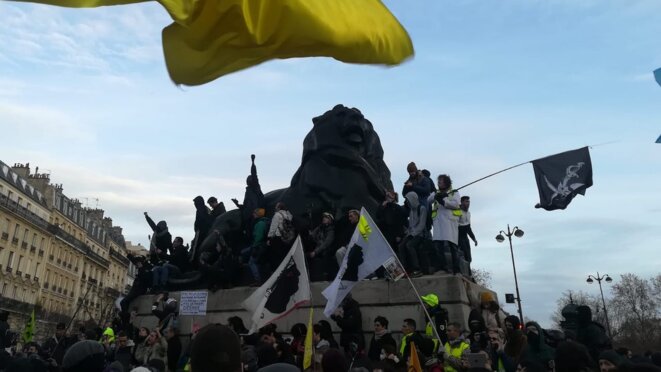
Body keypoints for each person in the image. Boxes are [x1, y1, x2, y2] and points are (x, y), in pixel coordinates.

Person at [427, 174, 462, 274]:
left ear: (446, 182)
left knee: (452, 246)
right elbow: (428, 200)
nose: (438, 183)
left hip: (450, 222)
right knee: (438, 246)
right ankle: (442, 267)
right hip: (438, 223)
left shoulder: (454, 192)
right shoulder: (436, 192)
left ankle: (456, 269)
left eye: (440, 181)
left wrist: (444, 199)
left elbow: (455, 204)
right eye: (438, 182)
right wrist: (436, 196)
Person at [232, 154, 265, 231]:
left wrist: (252, 162)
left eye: (249, 180)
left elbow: (254, 174)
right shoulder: (248, 191)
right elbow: (247, 206)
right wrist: (238, 204)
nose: (248, 181)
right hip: (249, 215)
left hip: (257, 212)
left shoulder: (255, 187)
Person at [398, 192, 427, 277]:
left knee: (409, 245)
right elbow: (411, 225)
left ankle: (417, 269)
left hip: (419, 235)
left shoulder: (422, 208)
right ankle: (405, 268)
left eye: (408, 200)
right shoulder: (411, 211)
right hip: (411, 234)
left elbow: (421, 225)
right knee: (401, 246)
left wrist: (413, 234)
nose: (407, 202)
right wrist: (407, 232)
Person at [241, 208, 269, 284]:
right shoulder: (265, 221)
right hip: (262, 245)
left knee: (251, 262)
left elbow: (258, 237)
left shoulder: (260, 224)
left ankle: (258, 280)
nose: (253, 215)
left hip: (258, 246)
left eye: (254, 213)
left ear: (258, 214)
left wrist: (254, 246)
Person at [307, 212, 336, 279]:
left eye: (326, 218)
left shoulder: (331, 231)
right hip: (317, 249)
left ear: (330, 220)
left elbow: (325, 244)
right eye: (324, 217)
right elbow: (312, 236)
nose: (324, 219)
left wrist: (315, 252)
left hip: (324, 252)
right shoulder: (320, 228)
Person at [267, 202, 295, 269]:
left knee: (277, 256)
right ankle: (289, 269)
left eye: (276, 206)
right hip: (287, 237)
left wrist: (269, 238)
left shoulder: (277, 215)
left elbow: (273, 228)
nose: (275, 207)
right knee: (285, 254)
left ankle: (279, 270)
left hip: (278, 237)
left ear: (279, 207)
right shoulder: (288, 215)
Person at [457, 196, 477, 276]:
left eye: (468, 202)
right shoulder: (458, 212)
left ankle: (469, 274)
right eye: (466, 201)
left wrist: (474, 239)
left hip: (465, 237)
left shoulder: (468, 213)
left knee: (469, 257)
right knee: (463, 255)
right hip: (458, 236)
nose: (468, 203)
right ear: (461, 203)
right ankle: (465, 272)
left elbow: (469, 228)